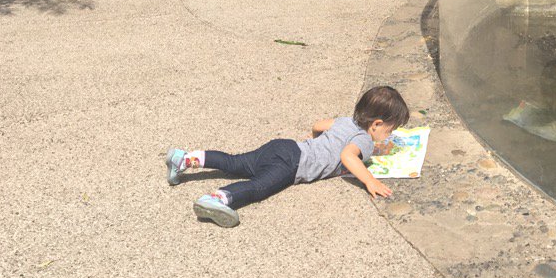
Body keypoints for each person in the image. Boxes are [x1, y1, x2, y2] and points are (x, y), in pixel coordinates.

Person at [164, 86, 409, 227]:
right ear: (376, 124)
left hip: (284, 147)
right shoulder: (364, 139)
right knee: (259, 186)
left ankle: (185, 158)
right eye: (390, 130)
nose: (389, 136)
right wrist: (369, 181)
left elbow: (318, 125)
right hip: (292, 164)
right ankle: (217, 199)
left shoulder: (345, 121)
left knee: (235, 162)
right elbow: (348, 156)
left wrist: (315, 143)